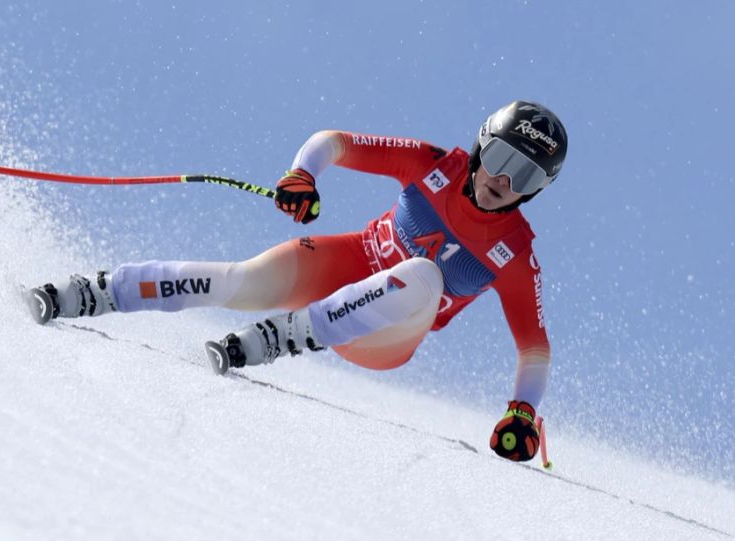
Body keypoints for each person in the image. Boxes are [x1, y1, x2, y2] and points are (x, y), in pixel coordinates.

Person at [28, 100, 568, 463]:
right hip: (344, 264)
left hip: (382, 336)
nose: (503, 180)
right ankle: (93, 292)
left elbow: (534, 348)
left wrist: (522, 412)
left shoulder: (516, 252)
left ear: (538, 190)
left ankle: (290, 335)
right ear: (478, 148)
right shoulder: (435, 165)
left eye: (525, 176)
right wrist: (303, 173)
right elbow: (333, 140)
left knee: (425, 275)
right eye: (499, 158)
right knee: (241, 280)